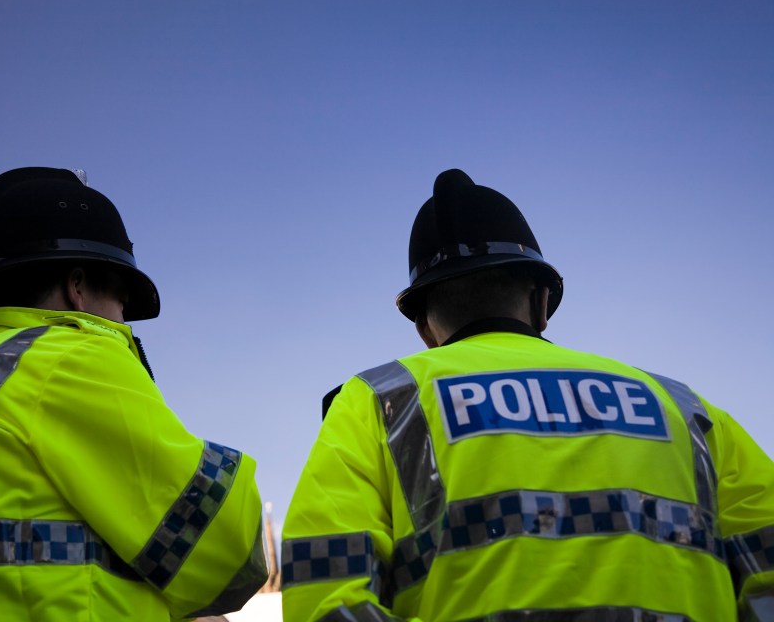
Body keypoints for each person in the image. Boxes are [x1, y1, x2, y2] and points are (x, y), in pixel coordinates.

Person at [281, 169, 774, 621]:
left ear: (426, 328)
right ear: (541, 302)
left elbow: (324, 590)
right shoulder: (685, 409)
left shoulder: (379, 401)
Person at [0, 167, 268, 621]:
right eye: (122, 302)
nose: (123, 321)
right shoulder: (65, 358)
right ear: (78, 287)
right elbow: (227, 551)